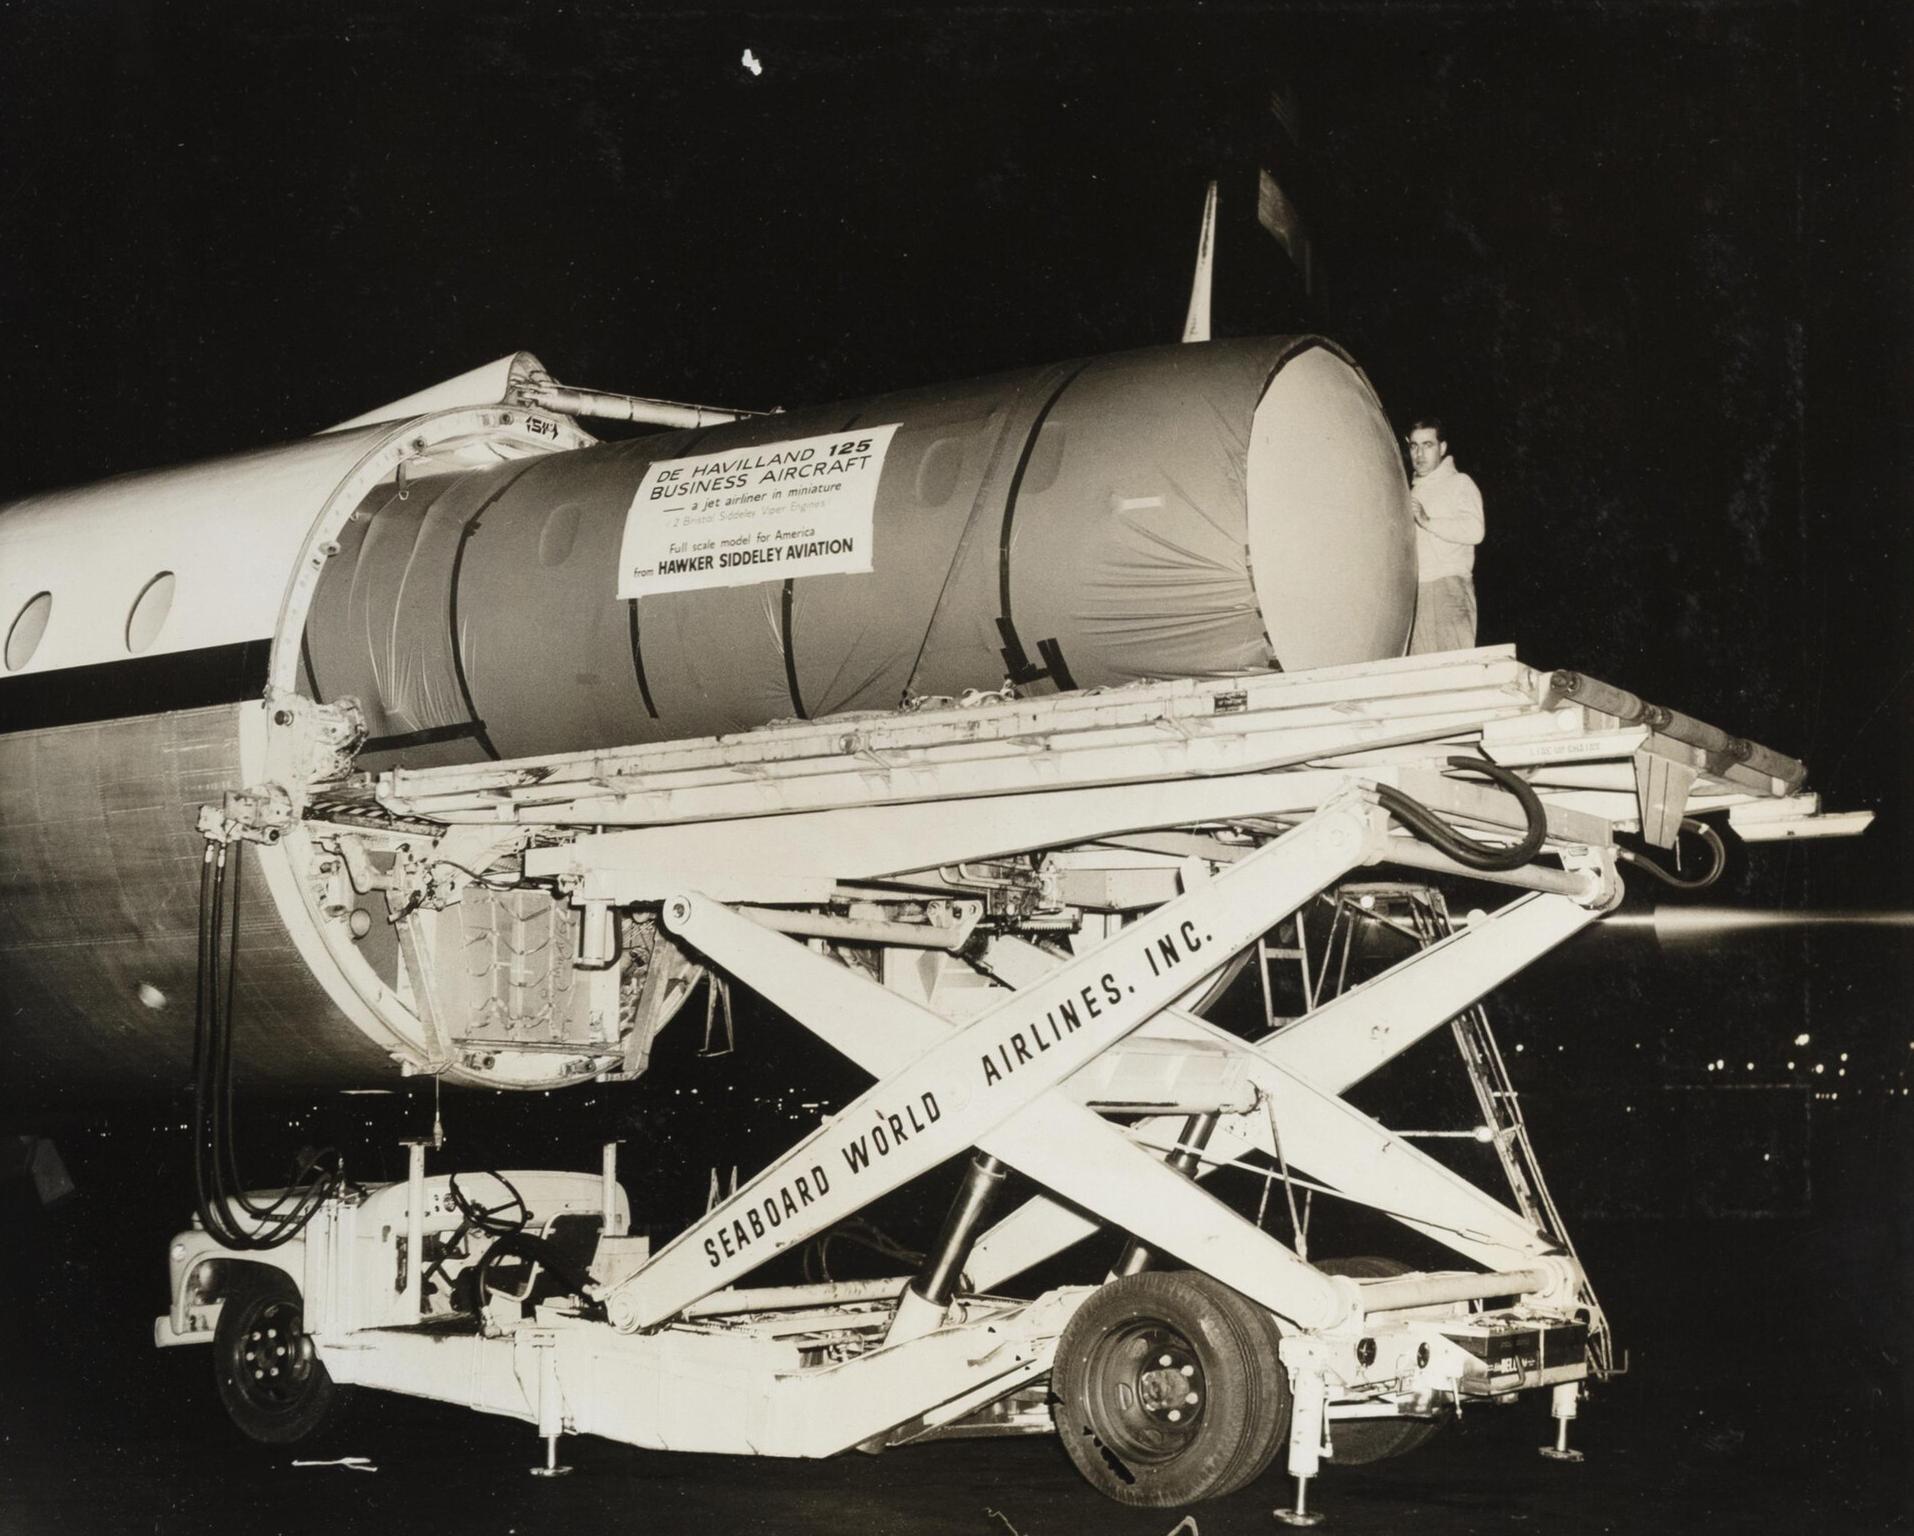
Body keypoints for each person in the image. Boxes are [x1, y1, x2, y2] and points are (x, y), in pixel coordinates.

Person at [1403, 416, 1484, 654]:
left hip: (1449, 587)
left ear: (1443, 448)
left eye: (1428, 445)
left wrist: (1428, 521)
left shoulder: (1459, 483)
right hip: (1416, 593)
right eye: (1414, 446)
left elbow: (1474, 530)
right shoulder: (1409, 490)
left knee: (1453, 669)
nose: (1419, 454)